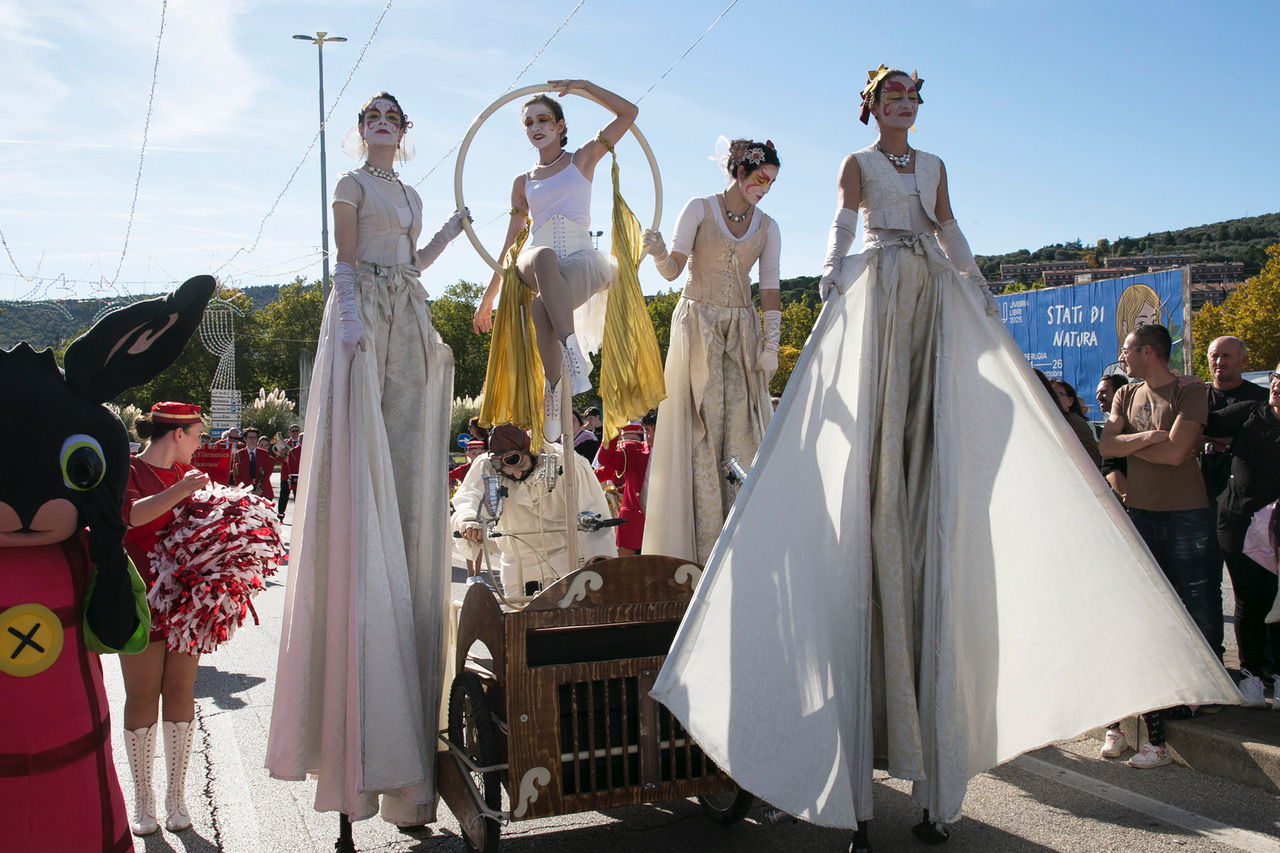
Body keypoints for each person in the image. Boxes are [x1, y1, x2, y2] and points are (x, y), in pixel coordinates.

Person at [649, 66, 1237, 852]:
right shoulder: (856, 164)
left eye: (911, 98)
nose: (904, 106)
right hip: (879, 284)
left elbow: (949, 227)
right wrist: (831, 271)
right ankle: (854, 791)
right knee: (863, 448)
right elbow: (840, 221)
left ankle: (932, 790)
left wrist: (975, 277)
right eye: (892, 97)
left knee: (946, 442)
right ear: (873, 106)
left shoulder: (931, 167)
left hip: (927, 288)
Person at [266, 91, 462, 833]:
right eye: (372, 115)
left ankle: (413, 773)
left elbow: (412, 259)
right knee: (364, 452)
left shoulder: (409, 192)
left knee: (409, 462)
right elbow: (346, 259)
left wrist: (447, 230)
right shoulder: (351, 185)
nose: (381, 123)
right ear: (362, 130)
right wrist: (346, 318)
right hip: (364, 309)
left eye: (392, 116)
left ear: (404, 132)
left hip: (405, 304)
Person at [639, 138, 781, 564]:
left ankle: (744, 545)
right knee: (698, 430)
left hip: (741, 331)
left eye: (771, 182)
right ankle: (698, 550)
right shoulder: (700, 208)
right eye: (760, 178)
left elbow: (770, 288)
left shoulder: (769, 226)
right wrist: (659, 250)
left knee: (743, 432)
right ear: (739, 171)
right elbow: (671, 273)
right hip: (697, 326)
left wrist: (771, 344)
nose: (765, 188)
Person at [473, 80, 639, 437]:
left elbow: (628, 113)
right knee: (543, 256)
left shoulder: (583, 159)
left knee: (539, 310)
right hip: (535, 261)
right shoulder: (523, 181)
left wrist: (584, 87)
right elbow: (511, 243)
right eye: (529, 122)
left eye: (544, 119)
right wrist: (489, 298)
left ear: (560, 125)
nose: (536, 127)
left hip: (581, 259)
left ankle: (553, 391)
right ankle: (572, 351)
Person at [1099, 323, 1222, 767]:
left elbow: (1175, 455)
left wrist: (1136, 445)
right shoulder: (1124, 395)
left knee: (1199, 600)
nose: (1123, 355)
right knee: (1151, 606)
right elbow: (1106, 443)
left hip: (1187, 512)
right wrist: (1151, 438)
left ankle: (1208, 690)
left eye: (1128, 349)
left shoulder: (1191, 393)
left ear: (1150, 351)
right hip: (1141, 513)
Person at [120, 402, 211, 835]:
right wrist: (184, 490)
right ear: (177, 434)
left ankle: (176, 797)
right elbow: (130, 520)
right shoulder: (129, 471)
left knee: (180, 691)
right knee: (141, 696)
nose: (199, 445)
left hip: (185, 605)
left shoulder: (184, 476)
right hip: (138, 600)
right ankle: (143, 801)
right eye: (195, 436)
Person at [451, 424, 614, 597]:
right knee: (518, 619)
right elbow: (468, 496)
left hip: (566, 560)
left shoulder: (566, 461)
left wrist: (600, 563)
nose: (517, 475)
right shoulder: (486, 465)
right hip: (518, 564)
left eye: (520, 467)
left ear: (531, 451)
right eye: (508, 473)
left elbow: (595, 512)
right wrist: (468, 520)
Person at [1206, 366, 1280, 706]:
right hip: (1239, 520)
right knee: (1250, 599)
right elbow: (1205, 424)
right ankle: (1250, 675)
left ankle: (1276, 675)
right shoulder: (1253, 410)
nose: (1277, 385)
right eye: (1276, 377)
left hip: (1276, 525)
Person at [595, 422, 652, 556]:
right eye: (648, 430)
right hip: (628, 515)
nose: (651, 435)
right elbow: (603, 463)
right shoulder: (628, 452)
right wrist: (613, 427)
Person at [1050, 378, 1102, 469]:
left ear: (1070, 401)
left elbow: (1089, 460)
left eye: (1057, 394)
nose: (1052, 398)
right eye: (1048, 394)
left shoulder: (1074, 422)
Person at [1097, 373, 1130, 500]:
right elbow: (1110, 468)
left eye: (1103, 392)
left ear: (1119, 393)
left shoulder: (1133, 422)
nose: (1098, 397)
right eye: (1097, 393)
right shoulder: (1112, 426)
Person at [233, 427, 274, 498]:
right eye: (250, 437)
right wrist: (245, 490)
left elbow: (267, 474)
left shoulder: (264, 453)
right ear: (245, 439)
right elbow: (236, 475)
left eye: (255, 438)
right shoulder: (238, 455)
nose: (252, 440)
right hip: (245, 492)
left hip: (261, 492)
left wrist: (261, 489)